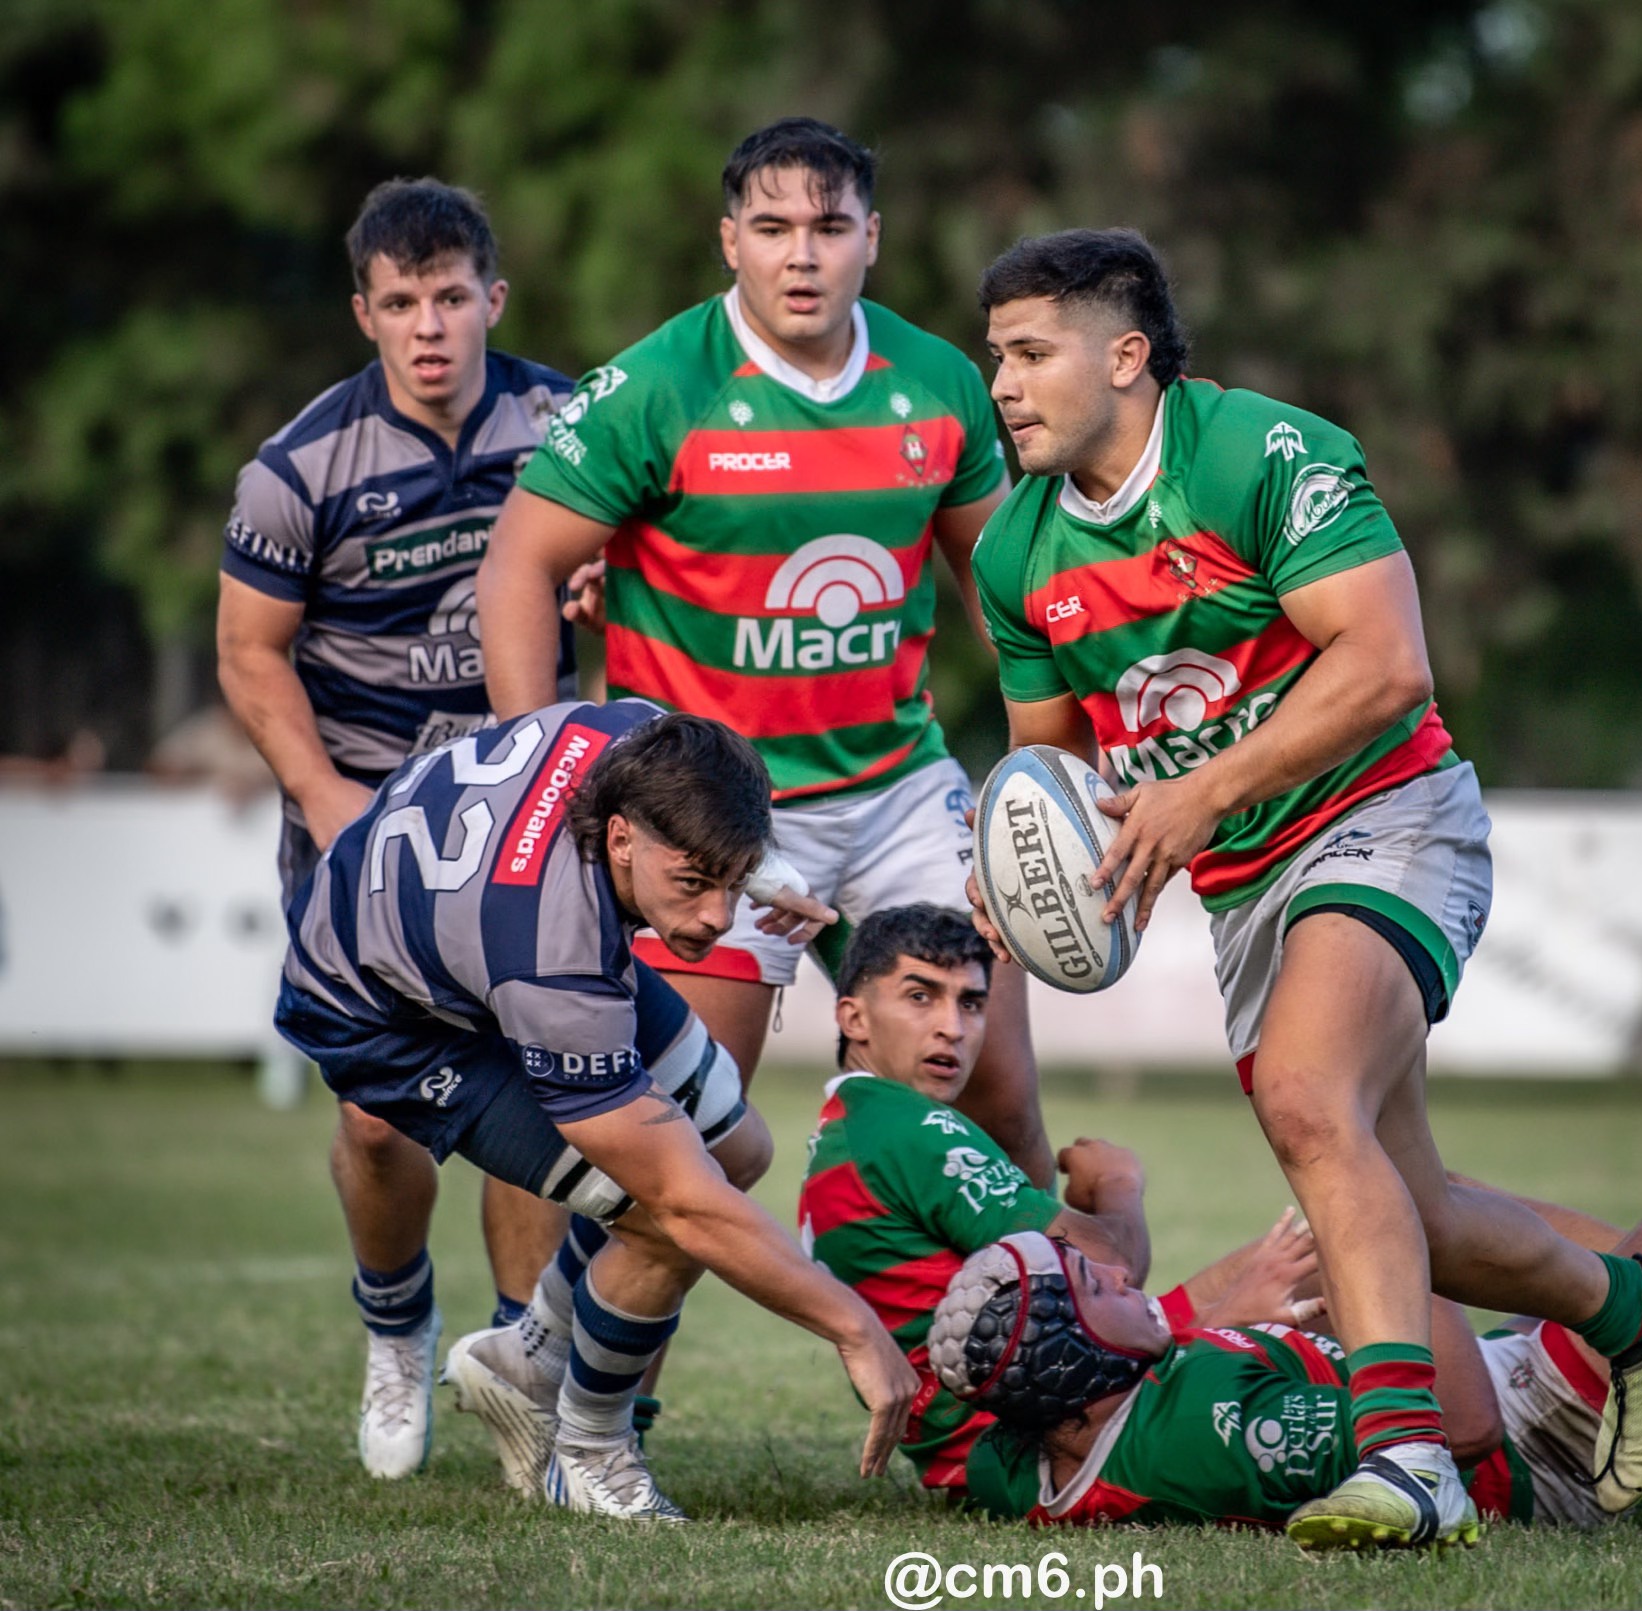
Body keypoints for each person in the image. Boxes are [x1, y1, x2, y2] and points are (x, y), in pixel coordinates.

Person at [966, 227, 1642, 1550]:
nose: (1005, 386)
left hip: (1390, 814)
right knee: (1409, 1208)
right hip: (1249, 886)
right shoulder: (1014, 550)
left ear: (1127, 353)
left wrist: (1198, 791)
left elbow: (1387, 667)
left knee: (1315, 1108)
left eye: (1032, 355)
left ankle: (1408, 1458)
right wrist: (1043, 878)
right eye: (996, 361)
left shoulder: (1263, 452)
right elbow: (1051, 763)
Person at [474, 116, 1055, 1187]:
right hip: (717, 811)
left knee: (999, 1097)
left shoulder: (936, 383)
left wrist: (1048, 764)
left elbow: (1004, 592)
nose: (801, 253)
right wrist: (541, 764)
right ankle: (565, 1344)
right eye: (773, 226)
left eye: (829, 226)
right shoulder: (654, 389)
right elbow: (516, 568)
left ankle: (1021, 1351)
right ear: (727, 239)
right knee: (691, 1139)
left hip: (895, 791)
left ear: (871, 238)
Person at [275, 701, 917, 1520]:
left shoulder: (641, 738)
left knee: (737, 1148)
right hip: (386, 1014)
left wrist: (749, 861)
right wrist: (855, 1327)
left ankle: (531, 1352)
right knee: (667, 1204)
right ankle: (588, 1450)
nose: (719, 918)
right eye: (694, 882)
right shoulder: (553, 955)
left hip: (473, 922)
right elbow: (686, 1203)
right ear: (618, 838)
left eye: (732, 878)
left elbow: (693, 804)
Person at [215, 177, 579, 1479]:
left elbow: (646, 566)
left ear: (494, 297)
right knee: (380, 1119)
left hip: (530, 808)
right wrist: (329, 803)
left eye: (450, 296)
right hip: (365, 812)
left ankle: (516, 1366)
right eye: (401, 302)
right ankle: (394, 1322)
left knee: (543, 1085)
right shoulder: (298, 466)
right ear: (364, 312)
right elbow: (250, 656)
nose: (429, 326)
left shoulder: (570, 424)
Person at [937, 1150, 1642, 1531]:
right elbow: (1456, 1427)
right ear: (1075, 1375)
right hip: (1525, 1446)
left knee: (1433, 1199)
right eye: (1094, 1284)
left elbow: (968, 1420)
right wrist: (1383, 1266)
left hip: (1526, 1401)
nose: (1125, 1273)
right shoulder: (1199, 1434)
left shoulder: (1036, 1441)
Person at [797, 904, 1322, 1491]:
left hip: (1022, 1417)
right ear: (854, 1018)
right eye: (921, 997)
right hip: (1048, 1436)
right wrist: (1117, 1184)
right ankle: (1407, 1448)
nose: (952, 1026)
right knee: (1352, 1249)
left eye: (970, 1003)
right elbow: (1110, 1268)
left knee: (1343, 1246)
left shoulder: (852, 1127)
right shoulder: (906, 1130)